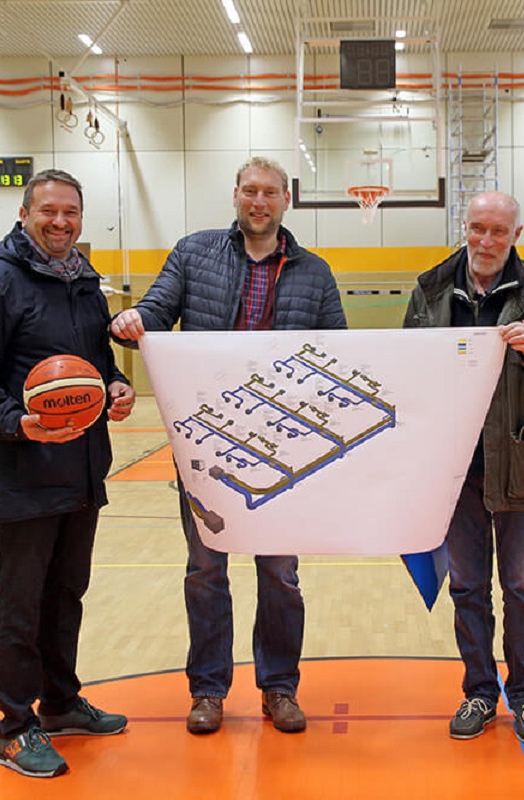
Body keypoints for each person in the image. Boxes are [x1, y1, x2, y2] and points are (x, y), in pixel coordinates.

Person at [110, 156, 346, 735]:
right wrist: (138, 317)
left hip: (287, 448)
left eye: (270, 193)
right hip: (207, 444)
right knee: (205, 569)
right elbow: (159, 309)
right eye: (249, 191)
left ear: (285, 200)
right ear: (235, 195)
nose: (258, 201)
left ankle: (280, 687)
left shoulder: (314, 273)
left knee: (280, 575)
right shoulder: (194, 254)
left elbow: (339, 352)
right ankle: (209, 690)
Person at [0, 169, 135, 779]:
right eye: (48, 211)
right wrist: (16, 422)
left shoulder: (84, 283)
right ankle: (15, 727)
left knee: (66, 595)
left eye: (71, 213)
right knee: (22, 604)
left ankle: (58, 703)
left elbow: (97, 364)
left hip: (81, 470)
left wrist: (116, 386)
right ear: (25, 214)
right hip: (24, 471)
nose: (60, 222)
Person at [403, 191, 524, 745]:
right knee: (468, 587)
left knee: (523, 586)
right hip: (455, 468)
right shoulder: (431, 288)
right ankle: (479, 692)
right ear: (465, 227)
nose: (485, 241)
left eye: (498, 232)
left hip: (520, 463)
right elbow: (407, 370)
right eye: (477, 228)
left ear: (516, 234)